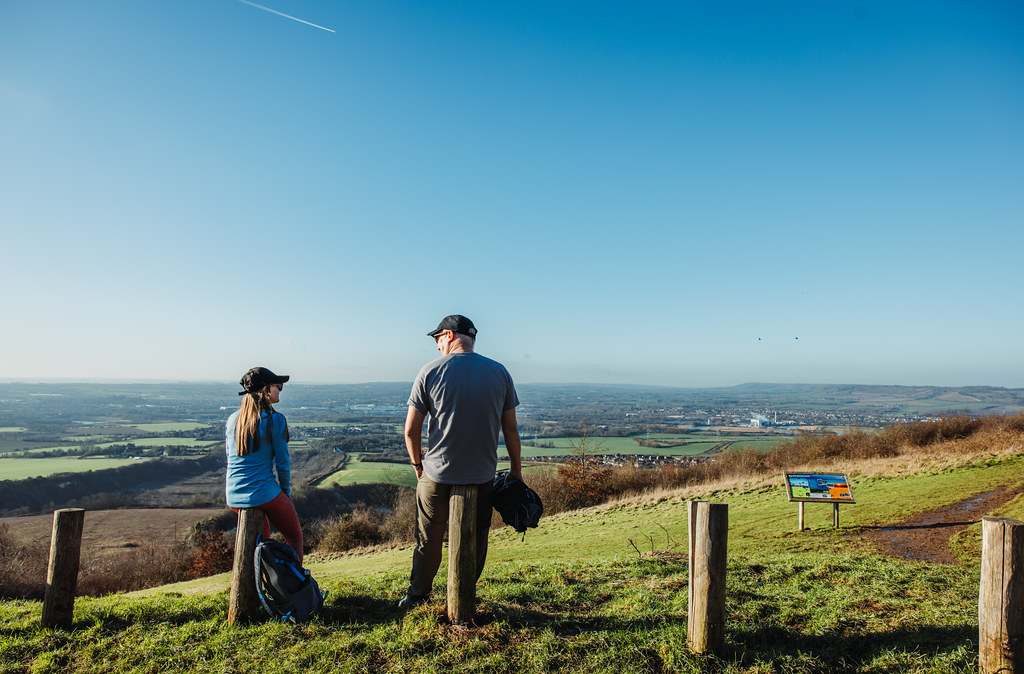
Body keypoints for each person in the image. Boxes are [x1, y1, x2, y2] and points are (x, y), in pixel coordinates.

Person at [399, 314, 523, 609]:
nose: (437, 345)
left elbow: (410, 430)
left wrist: (418, 466)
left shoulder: (429, 371)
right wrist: (516, 471)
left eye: (437, 339)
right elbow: (511, 430)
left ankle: (418, 596)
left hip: (437, 472)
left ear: (450, 335)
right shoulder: (500, 372)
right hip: (481, 475)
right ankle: (465, 590)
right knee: (477, 535)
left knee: (428, 537)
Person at [225, 366, 304, 562]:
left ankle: (257, 587)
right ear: (265, 390)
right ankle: (296, 587)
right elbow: (283, 464)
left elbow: (230, 457)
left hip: (233, 494)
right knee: (294, 537)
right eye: (278, 386)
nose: (280, 390)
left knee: (258, 543)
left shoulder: (232, 420)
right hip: (264, 493)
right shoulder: (275, 420)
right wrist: (285, 493)